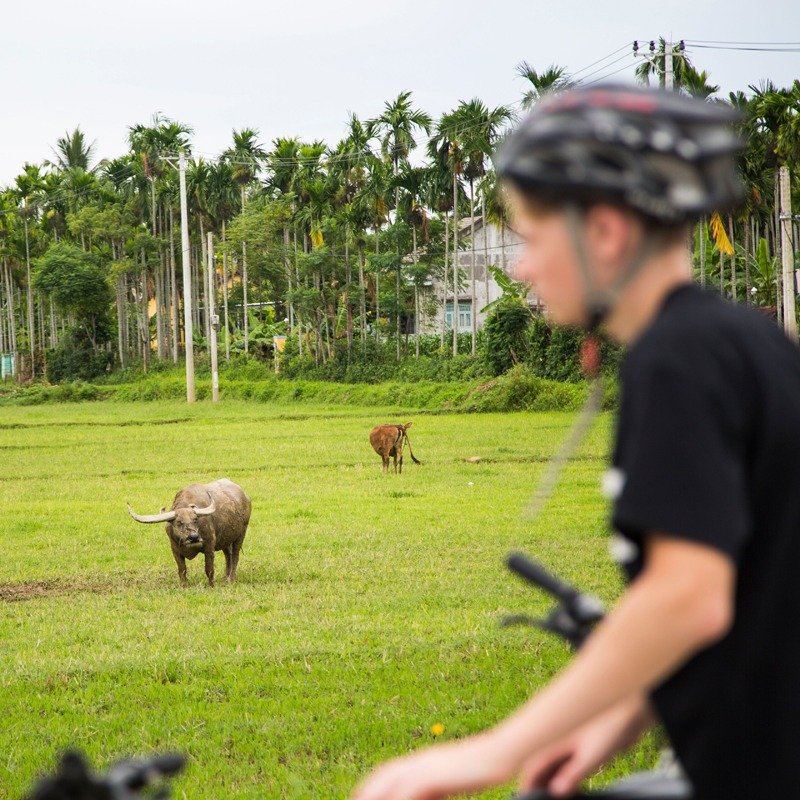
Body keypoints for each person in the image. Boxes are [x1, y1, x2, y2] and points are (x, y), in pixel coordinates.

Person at [352, 84, 800, 800]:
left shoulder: (674, 361)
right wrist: (612, 726)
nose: (522, 268)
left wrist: (495, 750)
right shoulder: (749, 344)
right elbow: (756, 607)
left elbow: (689, 599)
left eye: (532, 239)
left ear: (604, 233)